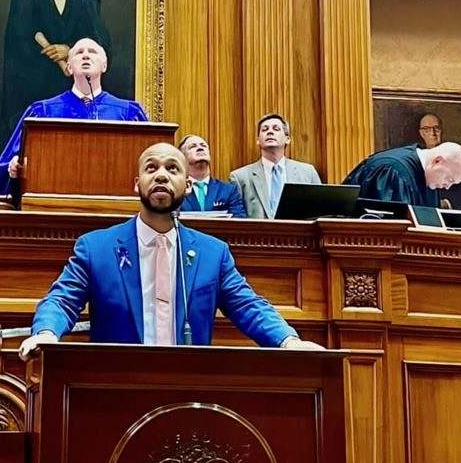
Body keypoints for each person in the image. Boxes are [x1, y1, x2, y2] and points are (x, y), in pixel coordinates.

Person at [18, 142, 323, 358]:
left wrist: (288, 341)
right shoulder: (96, 247)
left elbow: (248, 306)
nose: (161, 175)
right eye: (151, 168)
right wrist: (46, 333)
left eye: (172, 168)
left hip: (186, 391)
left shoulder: (213, 253)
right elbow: (61, 300)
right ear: (137, 184)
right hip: (114, 390)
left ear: (187, 185)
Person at [0, 37, 147, 197]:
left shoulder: (129, 113)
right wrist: (15, 166)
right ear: (69, 67)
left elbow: (149, 162)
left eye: (92, 52)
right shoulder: (42, 112)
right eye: (79, 52)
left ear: (104, 66)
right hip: (53, 204)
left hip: (113, 203)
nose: (86, 55)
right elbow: (9, 162)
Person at [0, 0, 111, 149]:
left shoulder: (88, 0)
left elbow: (102, 46)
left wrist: (69, 50)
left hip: (75, 98)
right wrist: (46, 54)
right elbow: (14, 52)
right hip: (32, 95)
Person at [230, 114, 321, 219]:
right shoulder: (240, 177)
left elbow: (320, 212)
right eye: (265, 129)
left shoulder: (307, 172)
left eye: (276, 129)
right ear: (258, 140)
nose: (270, 132)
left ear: (287, 139)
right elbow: (237, 219)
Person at [343, 142, 461, 207]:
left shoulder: (430, 181)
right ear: (438, 161)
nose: (447, 187)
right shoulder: (392, 171)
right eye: (449, 179)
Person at [413, 112, 461, 209]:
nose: (433, 133)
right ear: (421, 133)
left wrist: (447, 203)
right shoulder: (416, 163)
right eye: (427, 130)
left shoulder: (459, 163)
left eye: (436, 128)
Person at [177, 134, 246, 217]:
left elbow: (239, 220)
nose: (200, 148)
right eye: (193, 146)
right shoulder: (176, 190)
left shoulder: (229, 190)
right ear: (182, 158)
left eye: (203, 145)